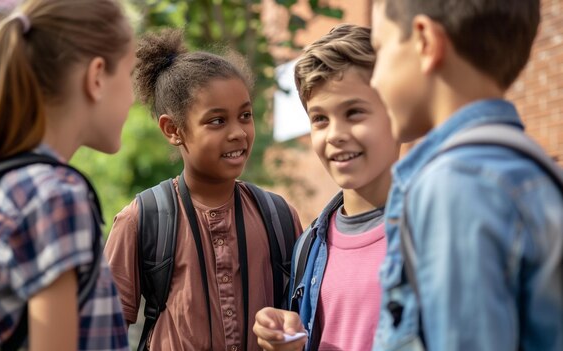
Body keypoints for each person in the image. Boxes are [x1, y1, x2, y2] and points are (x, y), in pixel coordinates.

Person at [369, 0, 563, 350]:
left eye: (380, 49)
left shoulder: (457, 185)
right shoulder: (527, 169)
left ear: (425, 42)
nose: (375, 79)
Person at [104, 29, 303, 351]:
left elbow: (303, 315)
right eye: (217, 121)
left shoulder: (278, 216)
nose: (238, 132)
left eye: (246, 116)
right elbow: (104, 332)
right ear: (174, 130)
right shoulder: (143, 219)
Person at [0, 0, 135, 349]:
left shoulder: (3, 182)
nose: (133, 98)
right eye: (129, 75)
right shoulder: (55, 197)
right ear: (97, 76)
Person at [253, 24, 400, 351]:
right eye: (320, 118)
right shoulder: (308, 246)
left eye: (354, 112)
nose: (335, 134)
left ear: (399, 115)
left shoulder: (435, 232)